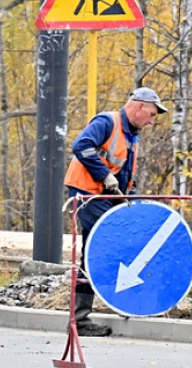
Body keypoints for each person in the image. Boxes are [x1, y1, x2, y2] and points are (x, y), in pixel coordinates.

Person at [64, 86, 166, 336]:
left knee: (91, 254)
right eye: (152, 114)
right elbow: (81, 145)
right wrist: (104, 175)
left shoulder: (132, 137)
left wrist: (130, 200)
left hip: (106, 196)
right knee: (117, 242)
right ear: (139, 106)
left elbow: (126, 176)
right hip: (86, 193)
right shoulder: (107, 122)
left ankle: (80, 319)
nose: (152, 121)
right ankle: (128, 301)